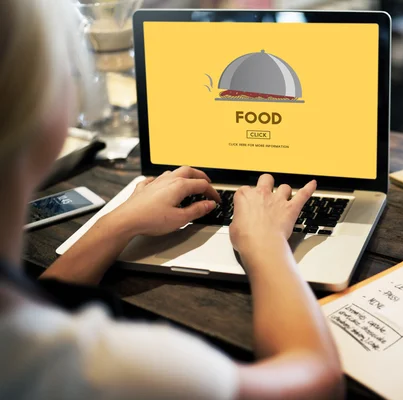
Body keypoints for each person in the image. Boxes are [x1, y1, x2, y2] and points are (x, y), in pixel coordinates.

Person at [0, 1, 343, 399]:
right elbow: (318, 382)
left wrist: (117, 223)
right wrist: (266, 245)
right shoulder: (110, 369)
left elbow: (44, 304)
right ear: (43, 110)